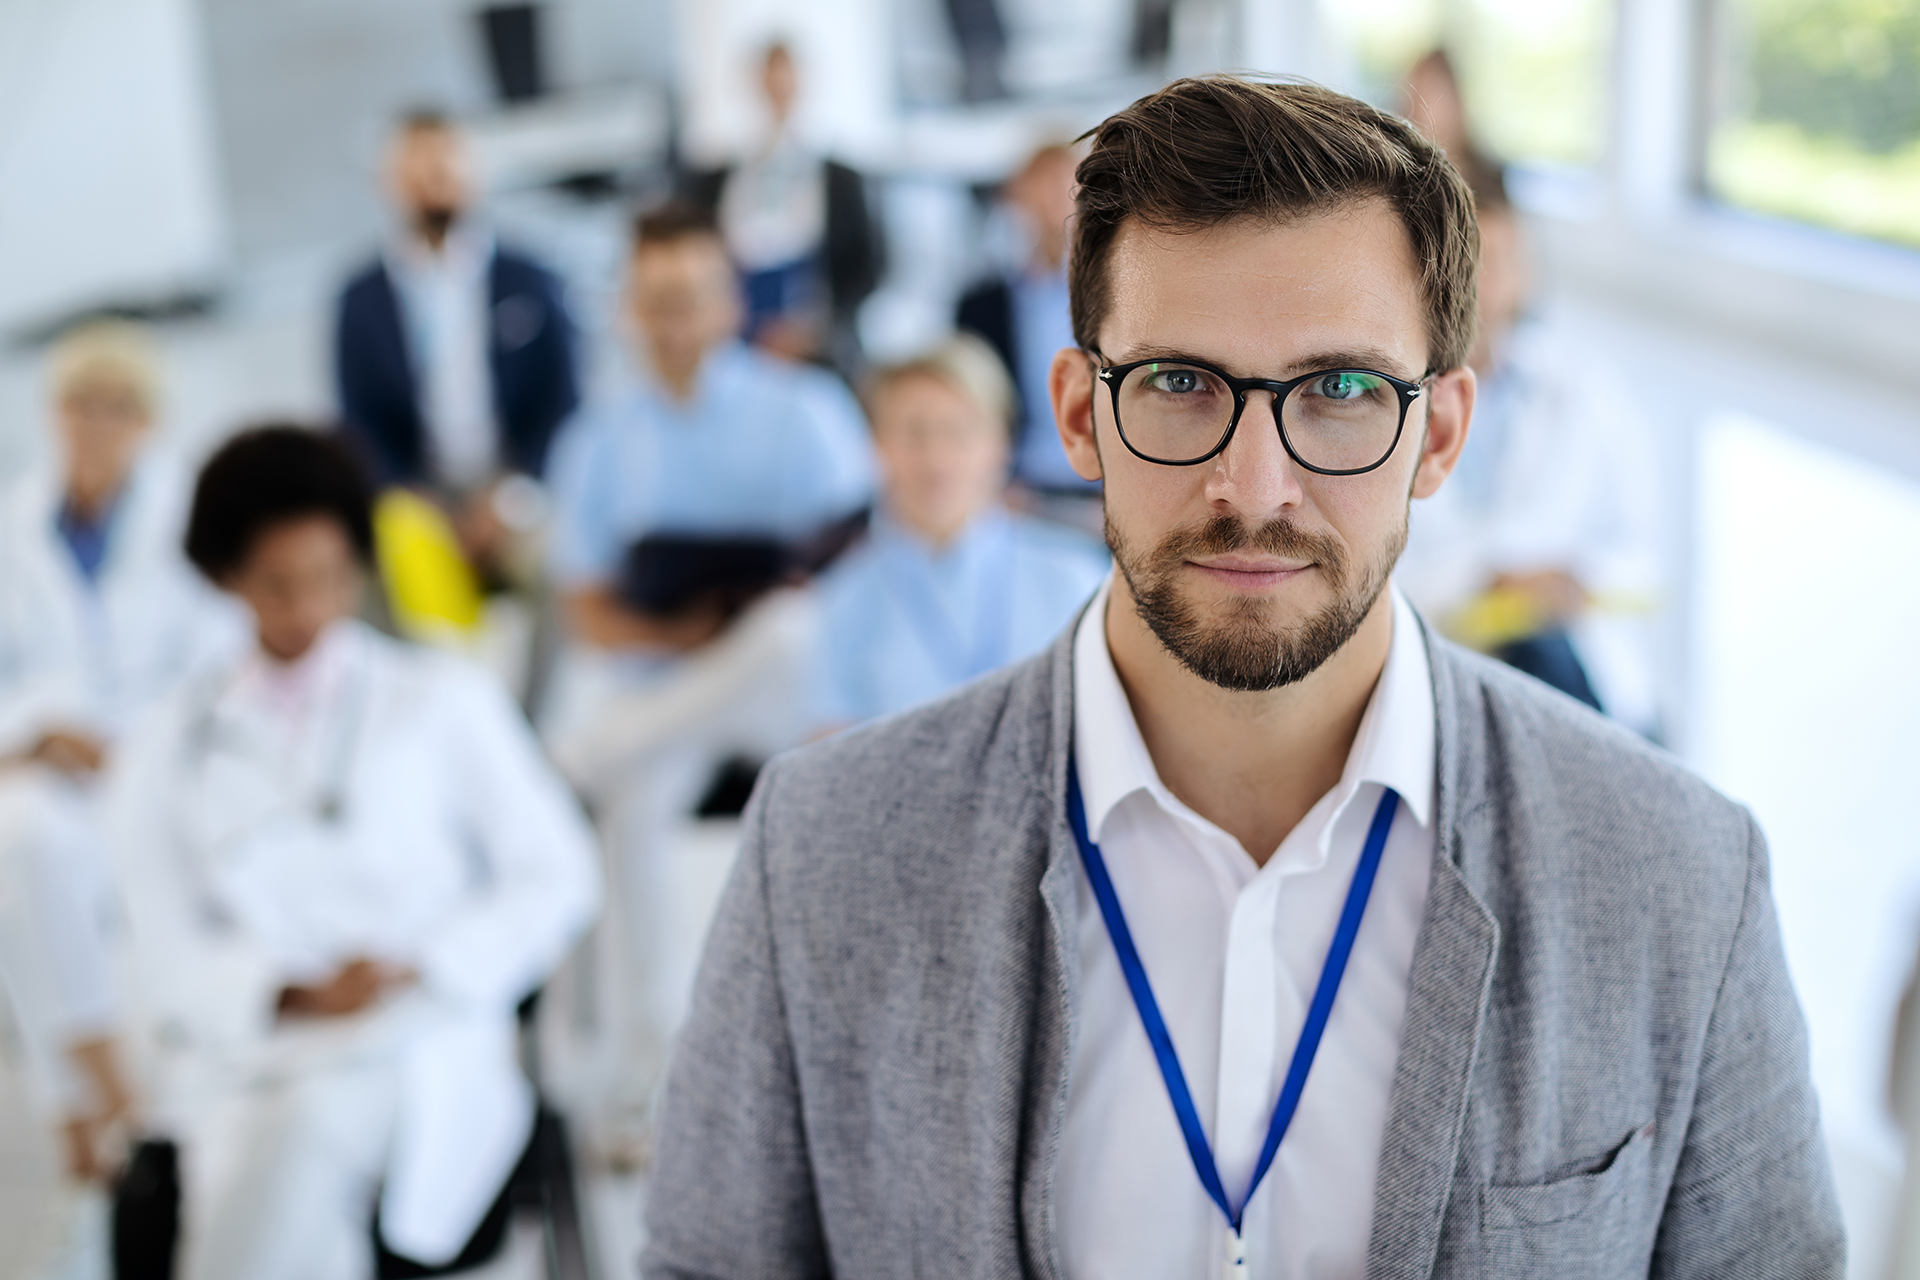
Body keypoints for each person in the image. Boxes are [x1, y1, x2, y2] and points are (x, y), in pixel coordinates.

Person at [643, 76, 1841, 1278]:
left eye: (1340, 392)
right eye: (1178, 383)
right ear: (1077, 415)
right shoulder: (825, 849)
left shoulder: (1682, 877)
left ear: (1438, 436)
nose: (1255, 488)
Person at [104, 426, 598, 1280]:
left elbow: (558, 873)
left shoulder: (443, 699)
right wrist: (290, 992)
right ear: (226, 579)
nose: (308, 610)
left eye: (332, 580)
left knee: (312, 1125)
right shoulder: (167, 746)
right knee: (288, 1146)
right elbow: (149, 945)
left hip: (420, 1036)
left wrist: (421, 967)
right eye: (277, 586)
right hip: (253, 1055)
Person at [541, 200, 874, 1159]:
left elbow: (853, 563)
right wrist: (681, 627)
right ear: (627, 313)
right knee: (635, 808)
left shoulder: (803, 409)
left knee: (788, 625)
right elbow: (585, 607)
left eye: (690, 299)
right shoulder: (597, 441)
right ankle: (652, 1072)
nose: (675, 322)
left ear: (728, 302)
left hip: (781, 684)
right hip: (672, 689)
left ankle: (580, 755)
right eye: (654, 303)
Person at [0, 322, 242, 1184]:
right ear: (51, 413)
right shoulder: (16, 525)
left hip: (164, 759)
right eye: (79, 404)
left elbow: (220, 656)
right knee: (21, 841)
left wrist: (130, 741)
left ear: (149, 422)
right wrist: (38, 731)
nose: (96, 423)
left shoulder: (188, 517)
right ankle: (98, 1089)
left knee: (120, 885)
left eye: (118, 406)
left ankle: (78, 1104)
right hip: (48, 768)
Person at [1395, 165, 1663, 731]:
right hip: (1443, 671)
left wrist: (1569, 581)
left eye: (1498, 263)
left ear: (1526, 276)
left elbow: (1639, 551)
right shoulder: (1387, 401)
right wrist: (1489, 578)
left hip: (1569, 669)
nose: (1481, 287)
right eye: (1464, 265)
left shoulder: (1584, 391)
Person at [811, 333, 1108, 729]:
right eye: (914, 433)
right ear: (877, 445)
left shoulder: (1076, 578)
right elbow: (828, 760)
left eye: (958, 432)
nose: (936, 458)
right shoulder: (842, 601)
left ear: (1000, 443)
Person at [334, 110, 579, 581]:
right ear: (388, 182)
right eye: (417, 169)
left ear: (474, 174)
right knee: (391, 559)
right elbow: (356, 421)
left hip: (516, 485)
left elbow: (563, 398)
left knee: (553, 551)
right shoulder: (361, 298)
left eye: (444, 166)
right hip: (418, 499)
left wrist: (511, 493)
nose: (433, 181)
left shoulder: (529, 276)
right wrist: (419, 501)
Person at [688, 42, 885, 371]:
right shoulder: (719, 178)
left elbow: (871, 265)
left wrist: (818, 327)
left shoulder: (841, 180)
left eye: (786, 80)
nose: (778, 90)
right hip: (735, 344)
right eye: (770, 79)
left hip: (819, 345)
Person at [958, 142, 1102, 520]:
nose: (1055, 198)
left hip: (1106, 486)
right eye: (1042, 183)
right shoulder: (980, 305)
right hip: (1021, 492)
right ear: (1016, 196)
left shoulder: (1121, 292)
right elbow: (974, 399)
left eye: (1066, 183)